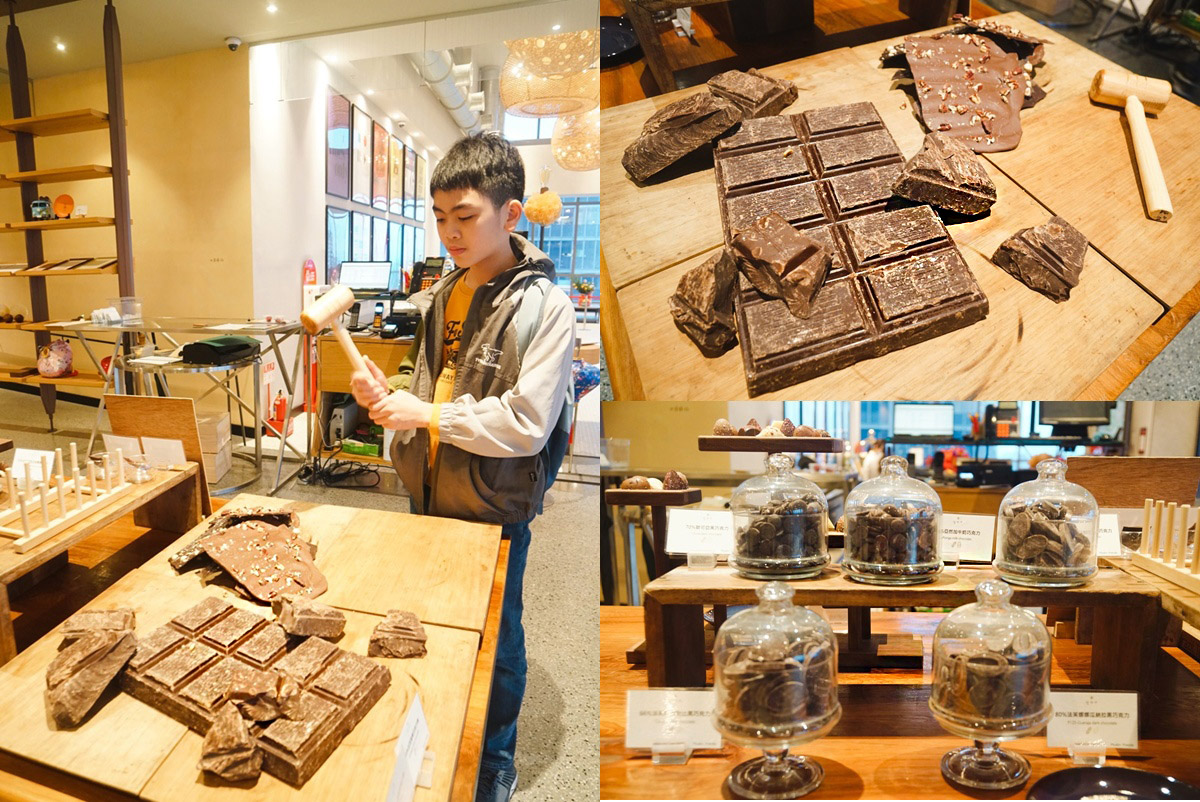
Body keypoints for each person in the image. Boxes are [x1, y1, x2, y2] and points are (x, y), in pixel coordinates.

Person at [348, 132, 575, 802]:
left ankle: (496, 758)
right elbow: (434, 381)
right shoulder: (443, 292)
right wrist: (386, 397)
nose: (450, 232)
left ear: (510, 214)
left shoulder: (547, 308)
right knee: (435, 628)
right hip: (427, 490)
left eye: (466, 216)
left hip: (494, 504)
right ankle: (438, 735)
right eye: (441, 217)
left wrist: (425, 416)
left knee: (497, 642)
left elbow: (528, 424)